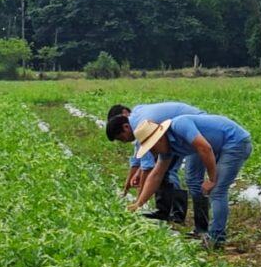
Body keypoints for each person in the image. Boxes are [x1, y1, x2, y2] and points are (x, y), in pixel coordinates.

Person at [129, 115, 253, 249]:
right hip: (219, 146)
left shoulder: (180, 125)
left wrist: (211, 179)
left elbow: (205, 148)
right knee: (202, 184)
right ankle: (212, 234)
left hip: (235, 142)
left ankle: (216, 240)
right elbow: (156, 175)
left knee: (217, 191)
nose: (153, 152)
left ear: (159, 138)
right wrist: (139, 203)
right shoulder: (167, 149)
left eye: (152, 147)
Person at [106, 102, 207, 232]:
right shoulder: (136, 117)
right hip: (184, 133)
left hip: (198, 129)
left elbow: (149, 168)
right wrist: (133, 182)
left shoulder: (142, 127)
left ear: (125, 127)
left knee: (192, 179)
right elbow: (142, 161)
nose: (124, 141)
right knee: (165, 171)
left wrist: (138, 203)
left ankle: (196, 226)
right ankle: (165, 212)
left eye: (121, 138)